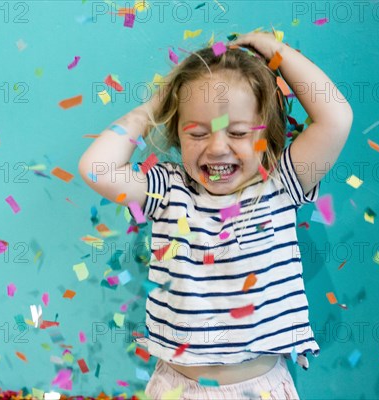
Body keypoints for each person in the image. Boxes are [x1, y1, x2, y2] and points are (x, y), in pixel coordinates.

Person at [79, 31, 353, 400]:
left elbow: (336, 118)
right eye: (197, 133)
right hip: (176, 389)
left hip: (261, 389)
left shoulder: (281, 184)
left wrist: (278, 54)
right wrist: (156, 105)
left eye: (238, 132)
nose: (217, 148)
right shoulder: (168, 190)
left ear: (267, 134)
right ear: (176, 132)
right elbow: (96, 167)